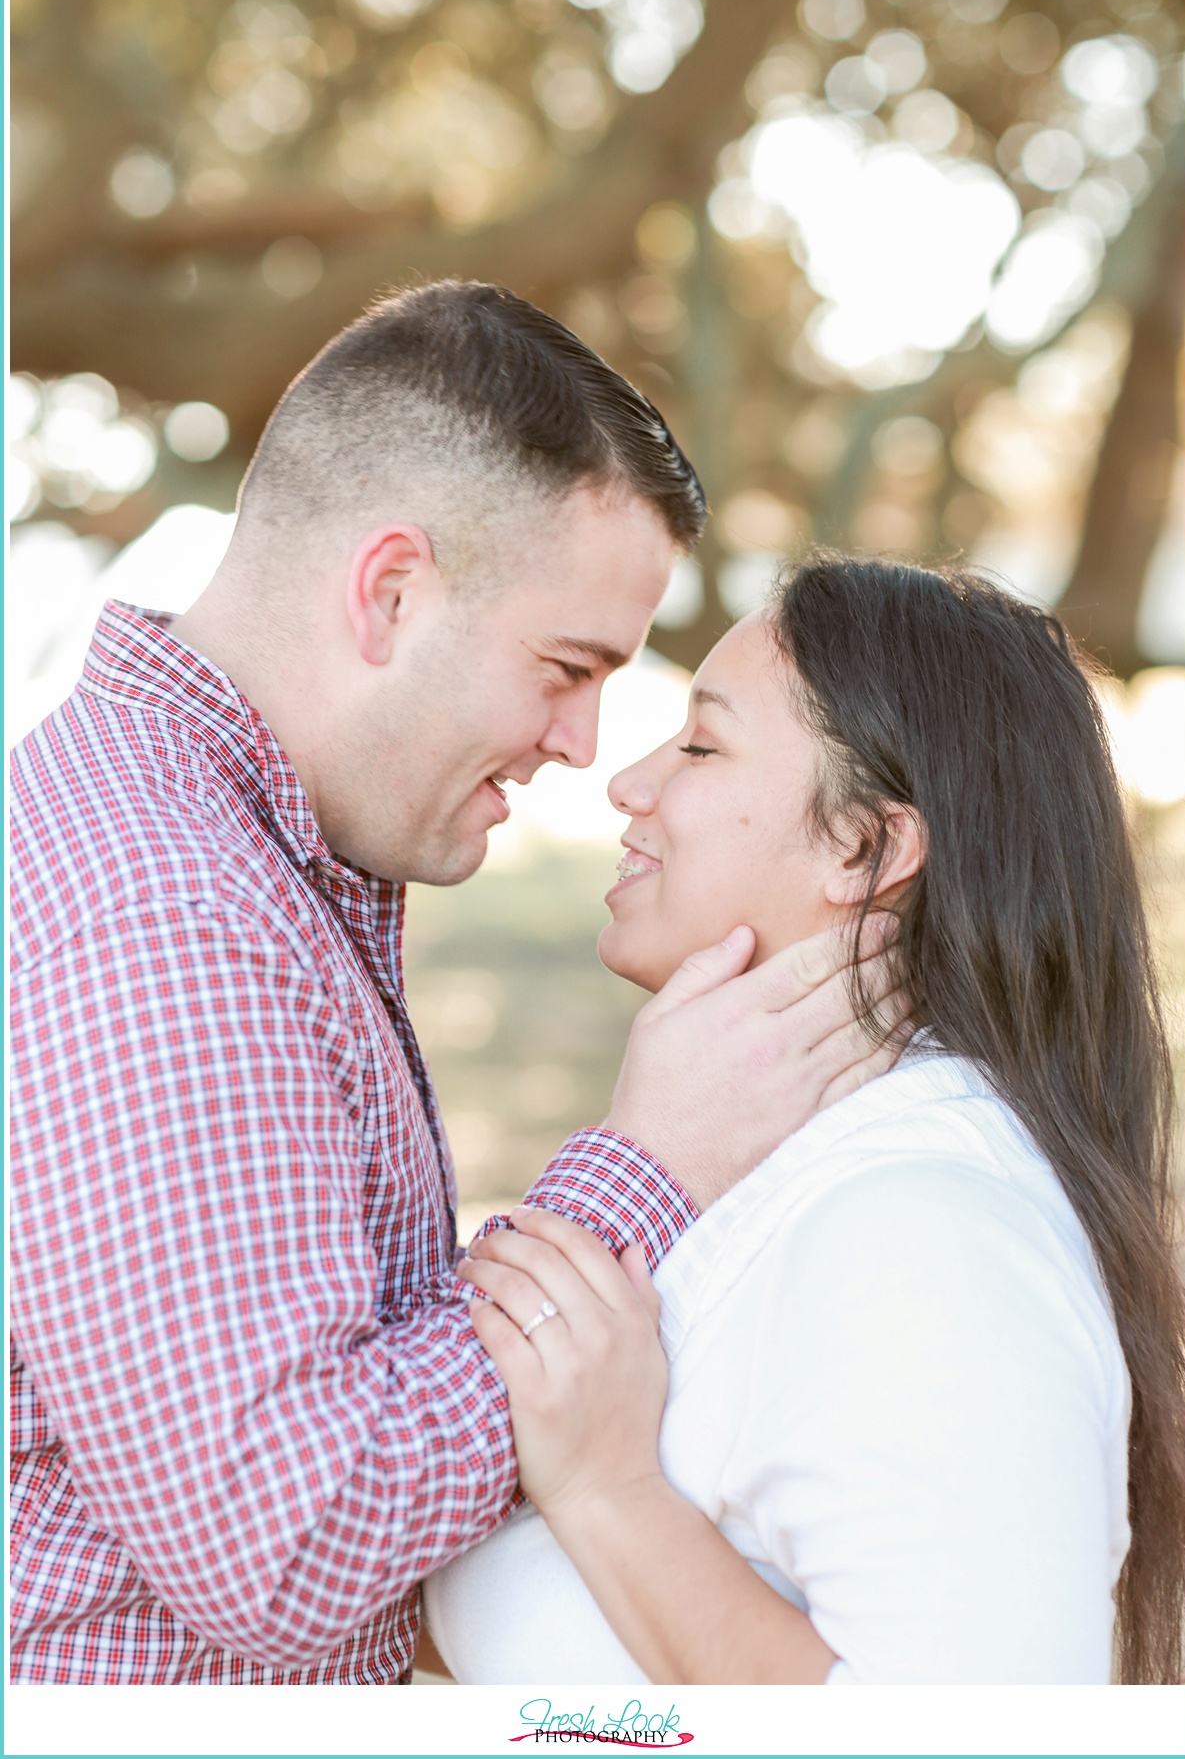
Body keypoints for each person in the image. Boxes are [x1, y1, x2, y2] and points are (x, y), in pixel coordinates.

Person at [9, 286, 901, 1685]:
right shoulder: (168, 914)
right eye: (565, 668)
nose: (585, 744)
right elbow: (286, 1539)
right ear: (390, 593)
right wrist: (645, 1170)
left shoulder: (226, 860)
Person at [425, 554, 1185, 1686]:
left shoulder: (929, 1230)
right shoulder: (798, 1169)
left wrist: (607, 1486)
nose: (626, 782)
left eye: (700, 745)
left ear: (865, 848)